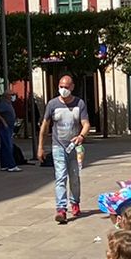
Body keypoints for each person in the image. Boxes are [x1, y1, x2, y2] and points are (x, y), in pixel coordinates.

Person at [37, 76, 92, 224]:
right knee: (60, 177)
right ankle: (61, 209)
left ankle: (75, 202)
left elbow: (86, 123)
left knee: (74, 177)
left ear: (72, 87)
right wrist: (40, 147)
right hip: (58, 146)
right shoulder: (52, 104)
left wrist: (81, 136)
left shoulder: (79, 103)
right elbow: (44, 126)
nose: (63, 89)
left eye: (66, 87)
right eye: (61, 86)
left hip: (74, 148)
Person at [0, 84, 22, 172]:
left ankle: (4, 165)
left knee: (4, 147)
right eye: (12, 94)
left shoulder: (9, 104)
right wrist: (3, 121)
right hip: (5, 128)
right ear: (8, 96)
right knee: (9, 146)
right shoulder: (4, 104)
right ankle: (11, 165)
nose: (14, 96)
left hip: (9, 127)